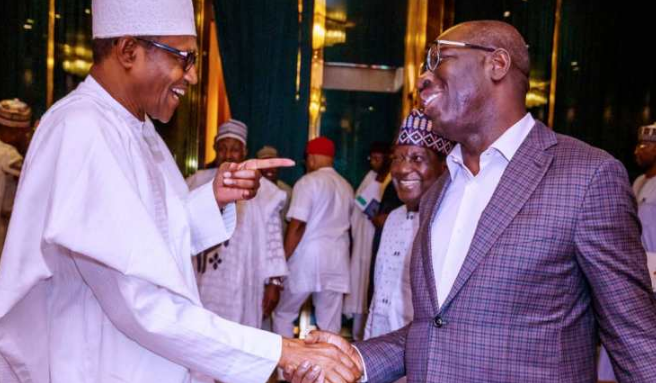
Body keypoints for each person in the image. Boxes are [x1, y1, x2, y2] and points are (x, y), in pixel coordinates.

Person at [0, 1, 361, 382]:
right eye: (184, 58)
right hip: (99, 365)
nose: (190, 76)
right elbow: (138, 299)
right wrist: (280, 350)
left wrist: (214, 197)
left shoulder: (137, 129)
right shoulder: (82, 129)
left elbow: (152, 240)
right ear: (128, 51)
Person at [291, 20, 656, 383]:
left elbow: (635, 338)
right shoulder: (439, 191)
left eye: (439, 58)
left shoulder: (586, 176)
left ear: (496, 64)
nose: (422, 79)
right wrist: (356, 357)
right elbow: (439, 326)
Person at [190, 120, 288, 330]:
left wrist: (274, 283)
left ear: (244, 151)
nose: (227, 155)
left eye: (234, 149)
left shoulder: (264, 191)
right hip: (202, 281)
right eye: (223, 148)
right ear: (215, 148)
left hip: (243, 280)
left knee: (238, 333)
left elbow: (273, 239)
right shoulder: (195, 182)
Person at [364, 110, 451, 344]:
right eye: (397, 158)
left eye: (417, 158)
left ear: (444, 167)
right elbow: (378, 298)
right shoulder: (393, 218)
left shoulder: (450, 223)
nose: (402, 169)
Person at [273, 137, 354, 338]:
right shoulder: (347, 187)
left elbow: (298, 225)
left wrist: (280, 262)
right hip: (337, 262)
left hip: (306, 260)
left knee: (283, 314)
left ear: (312, 158)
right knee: (330, 326)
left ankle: (287, 369)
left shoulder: (308, 182)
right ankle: (326, 370)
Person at [343, 142, 391, 341]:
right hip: (363, 238)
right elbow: (360, 202)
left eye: (378, 158)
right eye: (371, 158)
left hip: (379, 239)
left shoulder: (389, 179)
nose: (373, 162)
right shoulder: (370, 178)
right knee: (360, 284)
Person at [257, 145, 293, 231]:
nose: (269, 168)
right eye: (264, 164)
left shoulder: (287, 191)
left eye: (273, 163)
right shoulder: (253, 190)